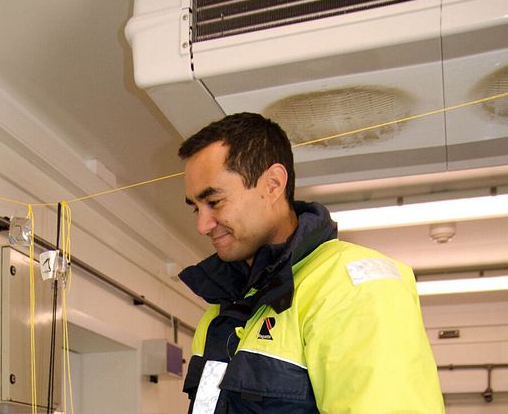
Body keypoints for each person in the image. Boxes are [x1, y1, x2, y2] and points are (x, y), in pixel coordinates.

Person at [177, 113, 444, 414]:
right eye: (195, 208)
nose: (202, 225)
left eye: (214, 202)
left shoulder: (352, 288)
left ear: (273, 184)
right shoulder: (222, 309)